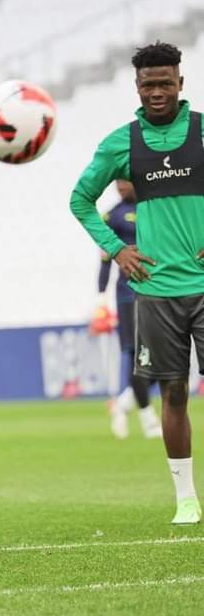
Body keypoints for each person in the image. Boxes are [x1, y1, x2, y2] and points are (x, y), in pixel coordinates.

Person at [71, 41, 203, 525]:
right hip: (155, 291)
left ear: (180, 83)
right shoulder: (120, 144)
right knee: (172, 391)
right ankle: (186, 498)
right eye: (148, 84)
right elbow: (80, 200)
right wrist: (117, 249)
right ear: (137, 87)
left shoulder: (202, 131)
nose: (157, 92)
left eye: (165, 82)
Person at [92, 180, 162, 439]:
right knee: (136, 357)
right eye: (116, 182)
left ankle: (123, 404)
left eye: (125, 181)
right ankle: (148, 419)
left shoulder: (155, 208)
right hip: (127, 295)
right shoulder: (111, 216)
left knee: (161, 357)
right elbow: (104, 259)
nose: (120, 187)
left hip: (157, 291)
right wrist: (101, 296)